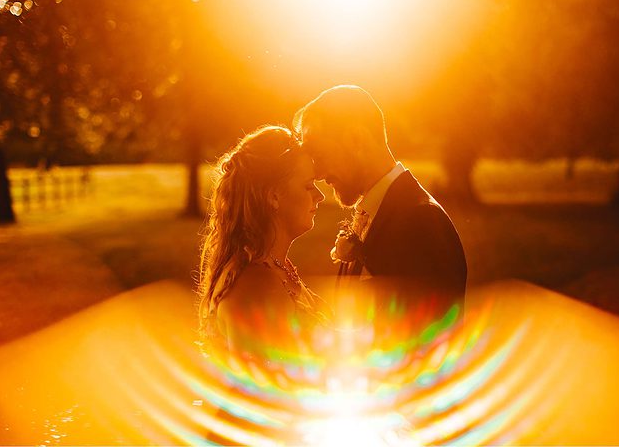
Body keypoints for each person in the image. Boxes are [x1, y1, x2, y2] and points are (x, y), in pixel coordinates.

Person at [293, 85, 467, 300]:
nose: (317, 173)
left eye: (320, 155)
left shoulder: (421, 221)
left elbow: (429, 330)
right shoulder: (373, 213)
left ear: (357, 140)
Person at [196, 125, 331, 356]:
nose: (320, 196)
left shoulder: (276, 268)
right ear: (273, 196)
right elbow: (271, 385)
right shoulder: (256, 286)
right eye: (308, 186)